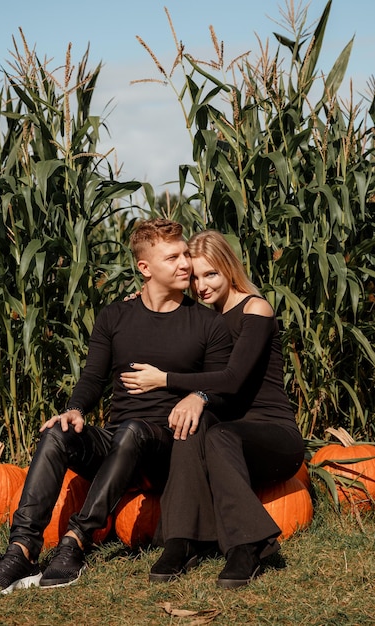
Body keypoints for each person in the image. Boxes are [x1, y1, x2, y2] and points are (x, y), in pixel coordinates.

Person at [0, 219, 233, 597]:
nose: (185, 265)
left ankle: (76, 539)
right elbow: (93, 377)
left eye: (185, 255)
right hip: (118, 445)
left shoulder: (207, 323)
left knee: (132, 431)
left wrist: (200, 396)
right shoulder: (116, 316)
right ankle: (21, 549)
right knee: (57, 431)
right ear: (144, 267)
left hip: (166, 451)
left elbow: (222, 386)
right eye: (172, 257)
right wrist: (75, 408)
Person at [121, 230, 305, 589]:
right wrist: (139, 301)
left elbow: (234, 379)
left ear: (229, 269)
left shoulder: (256, 308)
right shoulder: (208, 320)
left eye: (211, 274)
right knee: (190, 425)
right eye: (194, 277)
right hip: (229, 432)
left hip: (275, 437)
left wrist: (171, 383)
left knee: (216, 430)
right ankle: (180, 541)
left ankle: (247, 545)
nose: (201, 285)